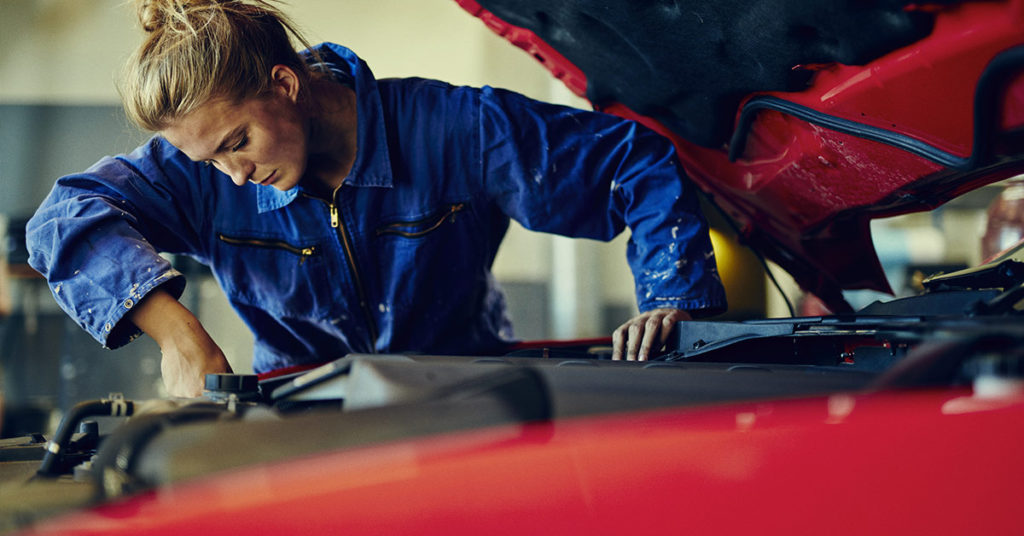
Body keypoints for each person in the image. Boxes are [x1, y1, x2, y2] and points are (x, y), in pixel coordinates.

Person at [26, 0, 726, 397]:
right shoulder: (203, 174)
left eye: (238, 142)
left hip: (470, 407)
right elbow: (64, 219)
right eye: (209, 159)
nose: (232, 175)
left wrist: (674, 299)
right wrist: (179, 334)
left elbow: (631, 162)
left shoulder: (459, 131)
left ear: (285, 84)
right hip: (302, 422)